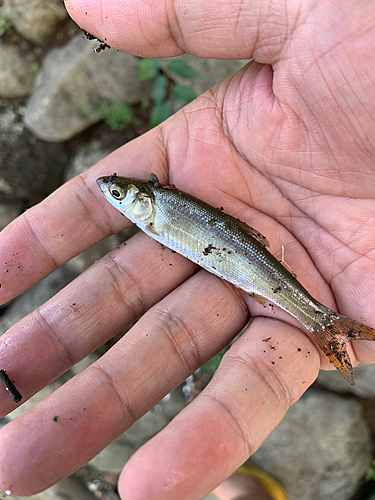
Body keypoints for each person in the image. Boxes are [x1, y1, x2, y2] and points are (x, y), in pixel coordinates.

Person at [1, 0, 375, 498]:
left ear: (140, 201)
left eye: (120, 196)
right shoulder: (156, 210)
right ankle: (319, 321)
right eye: (117, 195)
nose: (116, 200)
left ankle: (320, 319)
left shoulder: (157, 208)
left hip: (245, 258)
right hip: (241, 254)